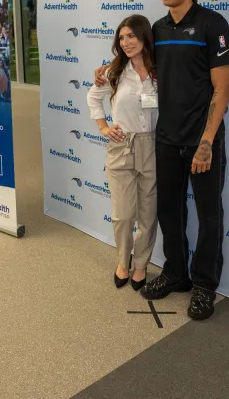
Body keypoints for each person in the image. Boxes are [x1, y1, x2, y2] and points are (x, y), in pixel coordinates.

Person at [94, 0, 229, 320]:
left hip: (203, 139)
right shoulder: (156, 28)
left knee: (208, 215)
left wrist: (207, 141)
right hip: (166, 140)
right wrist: (105, 71)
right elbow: (137, 64)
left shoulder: (212, 24)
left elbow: (222, 88)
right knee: (170, 213)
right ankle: (176, 273)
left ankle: (204, 285)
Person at [87, 15, 158, 292]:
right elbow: (93, 97)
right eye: (121, 37)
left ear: (144, 37)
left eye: (131, 36)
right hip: (121, 146)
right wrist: (103, 127)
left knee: (148, 215)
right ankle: (123, 262)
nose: (125, 42)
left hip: (152, 146)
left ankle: (141, 265)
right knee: (124, 215)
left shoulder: (159, 71)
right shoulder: (114, 71)